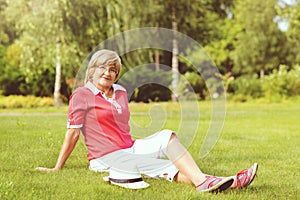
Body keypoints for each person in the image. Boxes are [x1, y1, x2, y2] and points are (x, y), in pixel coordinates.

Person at [36, 49, 258, 192]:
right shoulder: (81, 95)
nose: (108, 72)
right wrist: (57, 168)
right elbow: (73, 134)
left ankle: (219, 182)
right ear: (93, 70)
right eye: (103, 68)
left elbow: (121, 129)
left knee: (170, 150)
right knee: (167, 151)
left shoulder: (121, 92)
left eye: (113, 69)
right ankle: (220, 182)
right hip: (104, 158)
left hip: (129, 147)